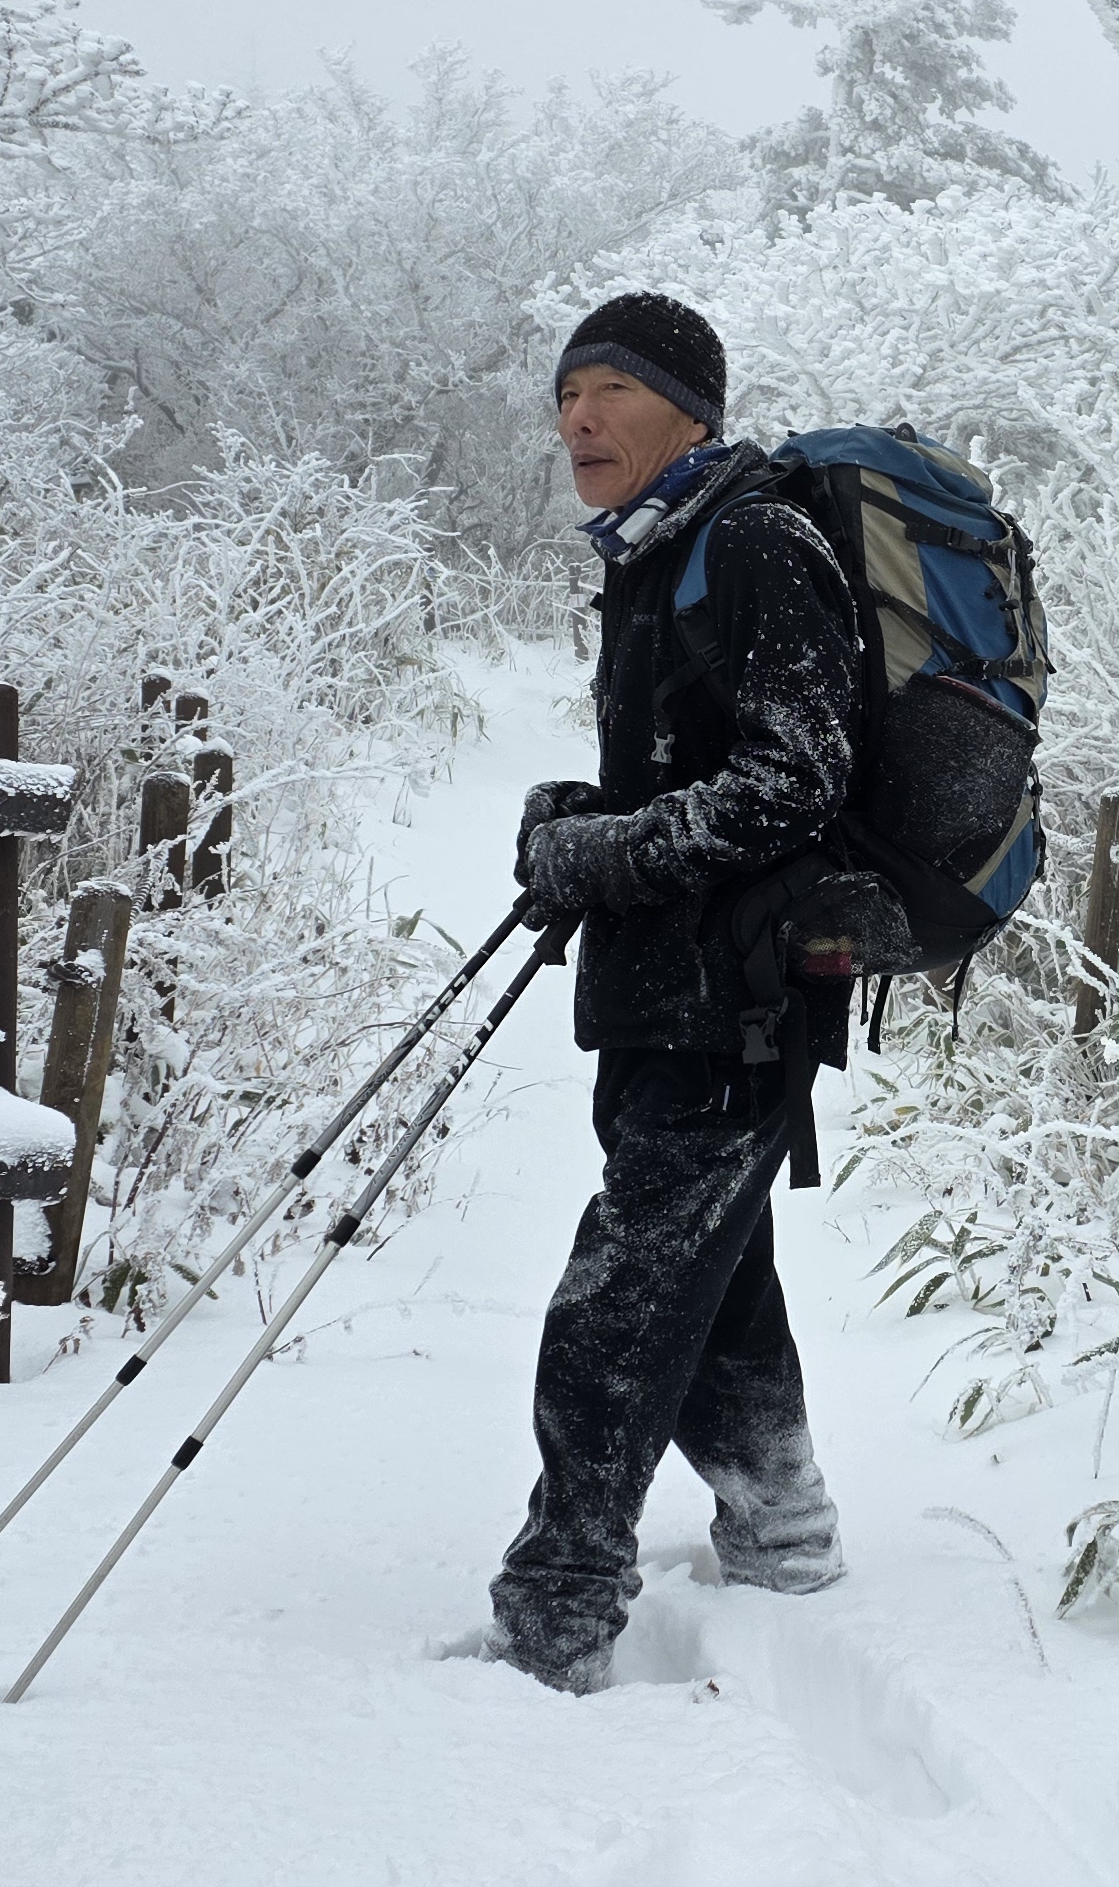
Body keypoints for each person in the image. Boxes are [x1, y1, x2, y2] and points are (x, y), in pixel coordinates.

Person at [489, 291, 856, 1695]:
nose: (577, 419)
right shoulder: (659, 551)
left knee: (621, 1305)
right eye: (566, 393)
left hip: (736, 1001)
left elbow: (795, 780)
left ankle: (559, 1611)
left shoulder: (752, 541)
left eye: (613, 390)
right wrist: (586, 816)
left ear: (691, 409)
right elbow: (693, 775)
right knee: (717, 1277)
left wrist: (608, 851)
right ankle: (784, 1533)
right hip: (667, 991)